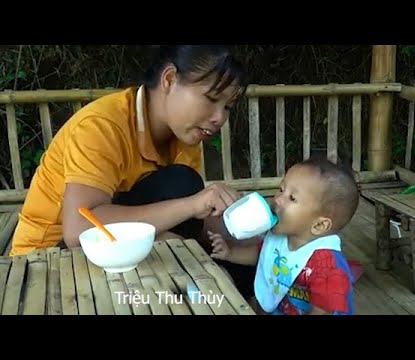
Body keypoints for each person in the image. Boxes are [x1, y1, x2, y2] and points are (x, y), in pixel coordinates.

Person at [10, 45, 248, 276]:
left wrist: (247, 232)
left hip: (119, 250)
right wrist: (193, 205)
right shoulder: (102, 126)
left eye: (227, 107)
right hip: (46, 261)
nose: (219, 118)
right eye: (211, 98)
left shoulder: (184, 137)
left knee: (247, 266)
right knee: (182, 184)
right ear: (169, 79)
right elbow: (79, 230)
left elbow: (189, 220)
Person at [208, 156, 361, 315]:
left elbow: (322, 311)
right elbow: (262, 253)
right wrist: (230, 253)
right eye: (281, 190)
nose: (278, 199)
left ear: (319, 225)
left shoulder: (328, 265)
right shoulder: (281, 237)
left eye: (292, 198)